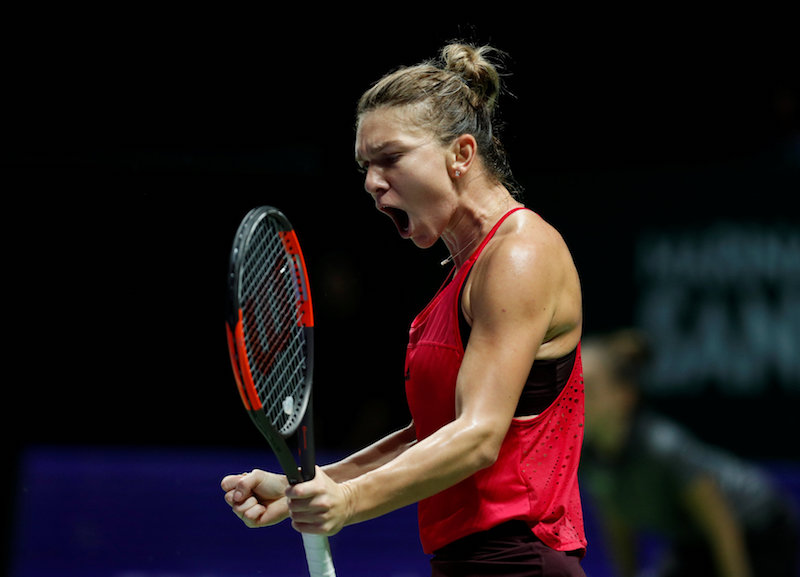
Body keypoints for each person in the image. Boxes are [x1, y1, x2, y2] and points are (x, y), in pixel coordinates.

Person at [222, 42, 588, 576]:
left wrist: (348, 504)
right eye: (365, 166)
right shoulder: (458, 278)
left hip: (519, 561)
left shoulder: (519, 252)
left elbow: (478, 438)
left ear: (461, 154)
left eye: (390, 158)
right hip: (466, 563)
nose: (372, 182)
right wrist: (313, 484)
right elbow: (433, 433)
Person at [580, 329, 799, 577]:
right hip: (693, 540)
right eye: (571, 388)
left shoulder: (661, 448)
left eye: (590, 389)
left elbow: (721, 526)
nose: (577, 399)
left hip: (758, 531)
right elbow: (616, 518)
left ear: (624, 396)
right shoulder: (587, 456)